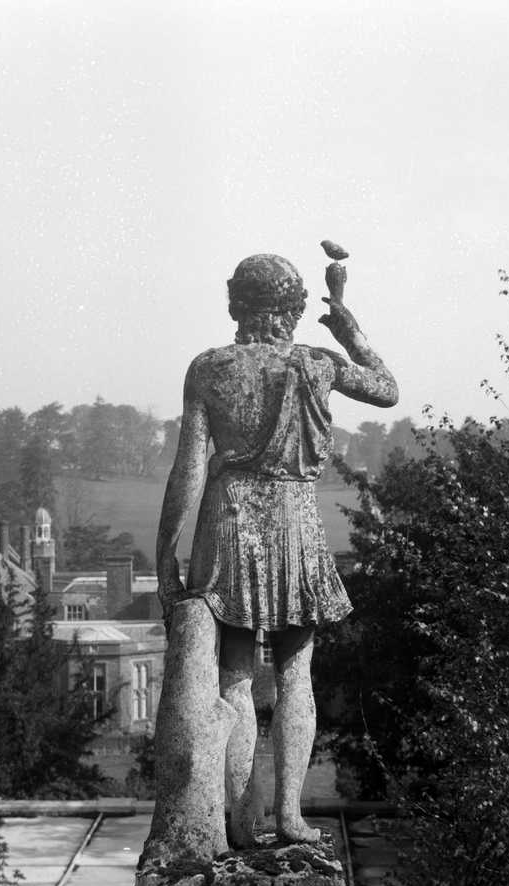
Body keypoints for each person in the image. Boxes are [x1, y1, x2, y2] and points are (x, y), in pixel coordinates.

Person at [156, 253, 398, 846]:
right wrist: (345, 322)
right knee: (296, 673)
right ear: (294, 309)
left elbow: (189, 468)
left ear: (236, 303)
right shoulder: (317, 362)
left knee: (235, 673)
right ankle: (289, 817)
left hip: (231, 518)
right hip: (295, 518)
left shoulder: (209, 368)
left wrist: (166, 549)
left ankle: (242, 820)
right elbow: (388, 390)